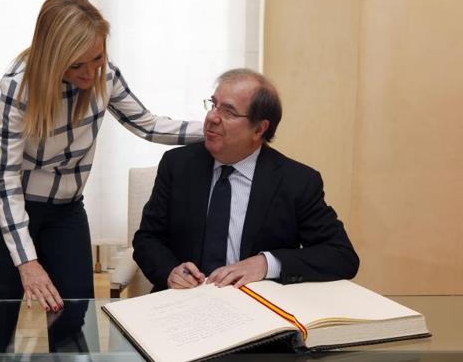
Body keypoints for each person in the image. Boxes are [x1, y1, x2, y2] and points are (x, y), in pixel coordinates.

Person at [0, 0, 202, 352]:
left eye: (97, 58)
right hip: (4, 206)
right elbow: (4, 178)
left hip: (64, 209)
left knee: (74, 312)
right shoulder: (19, 87)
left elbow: (149, 125)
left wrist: (215, 130)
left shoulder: (103, 74)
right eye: (78, 65)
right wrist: (28, 262)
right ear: (53, 58)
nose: (90, 74)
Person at [133, 68, 359, 292]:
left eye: (229, 112)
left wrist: (265, 263)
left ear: (259, 129)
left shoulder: (296, 181)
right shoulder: (178, 165)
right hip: (183, 302)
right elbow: (147, 239)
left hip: (258, 309)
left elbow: (341, 255)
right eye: (213, 105)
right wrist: (170, 271)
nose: (212, 117)